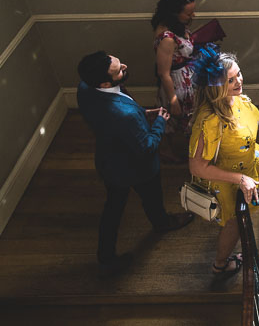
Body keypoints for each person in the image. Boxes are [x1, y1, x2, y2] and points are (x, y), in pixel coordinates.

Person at [77, 51, 194, 276]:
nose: (125, 67)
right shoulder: (124, 116)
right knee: (151, 198)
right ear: (104, 82)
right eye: (119, 70)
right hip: (138, 169)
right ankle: (161, 223)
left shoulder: (85, 89)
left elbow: (119, 114)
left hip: (109, 161)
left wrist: (143, 114)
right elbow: (148, 147)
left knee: (112, 208)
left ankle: (106, 257)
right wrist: (160, 121)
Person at [188, 50, 259, 278]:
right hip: (226, 174)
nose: (238, 81)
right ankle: (220, 265)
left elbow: (241, 123)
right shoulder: (209, 121)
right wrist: (240, 180)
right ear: (216, 86)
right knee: (235, 223)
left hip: (249, 156)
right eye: (230, 80)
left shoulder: (236, 97)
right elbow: (197, 167)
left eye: (238, 74)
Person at [152, 0, 198, 161]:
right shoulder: (167, 38)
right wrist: (173, 101)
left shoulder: (177, 26)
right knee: (174, 119)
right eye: (188, 13)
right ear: (174, 13)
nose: (193, 15)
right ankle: (167, 151)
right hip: (177, 84)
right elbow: (163, 73)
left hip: (188, 77)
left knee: (190, 118)